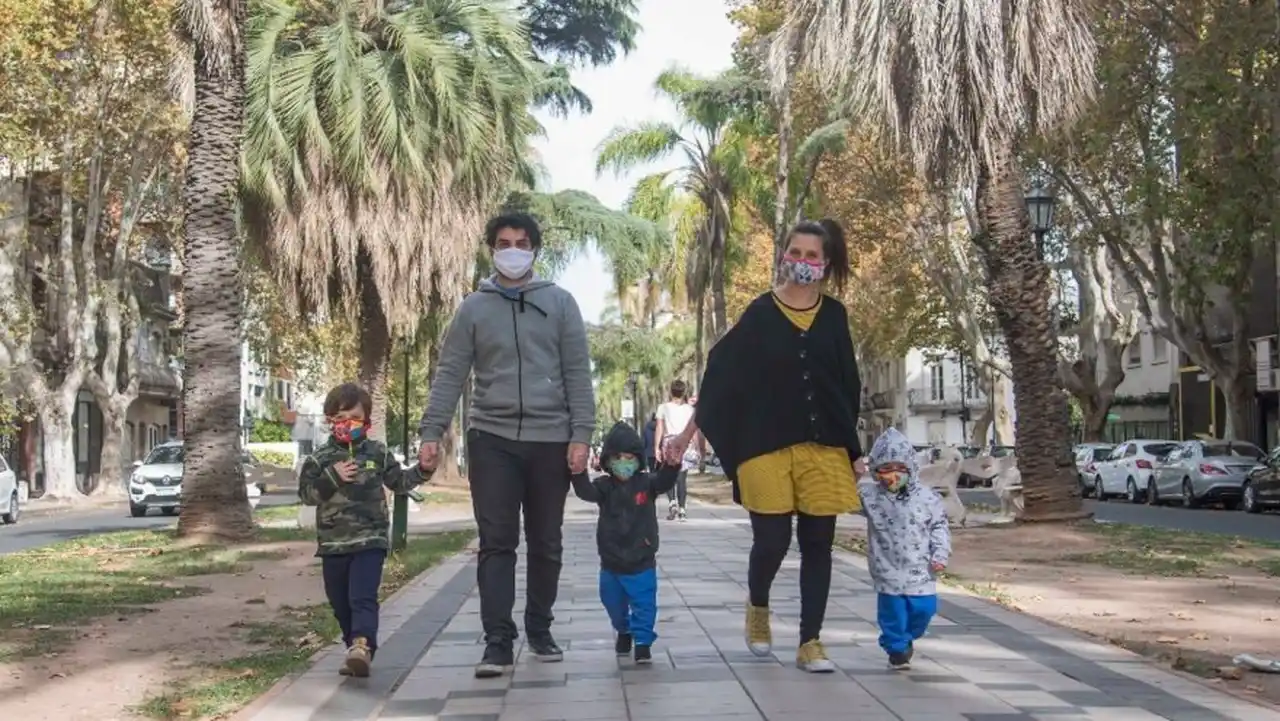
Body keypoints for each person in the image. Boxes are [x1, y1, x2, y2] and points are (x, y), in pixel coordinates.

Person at [665, 219, 864, 673]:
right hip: (765, 448)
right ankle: (758, 605)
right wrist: (686, 433)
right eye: (795, 253)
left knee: (818, 544)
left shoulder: (835, 316)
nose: (803, 262)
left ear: (826, 264)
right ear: (783, 257)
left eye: (812, 256)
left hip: (823, 447)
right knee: (771, 541)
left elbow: (846, 384)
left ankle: (810, 641)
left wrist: (853, 450)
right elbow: (719, 378)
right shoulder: (759, 313)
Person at [418, 212, 595, 678]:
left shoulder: (560, 303)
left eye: (520, 242)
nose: (512, 249)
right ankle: (497, 640)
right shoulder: (473, 308)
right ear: (491, 250)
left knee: (546, 542)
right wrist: (430, 432)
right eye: (503, 243)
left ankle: (540, 628)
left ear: (535, 249)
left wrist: (581, 435)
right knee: (497, 542)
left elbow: (578, 373)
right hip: (491, 439)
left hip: (549, 440)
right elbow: (451, 374)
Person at [298, 383, 431, 678]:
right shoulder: (320, 459)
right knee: (341, 603)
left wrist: (424, 469)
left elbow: (399, 482)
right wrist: (332, 477)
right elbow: (307, 495)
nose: (347, 424)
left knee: (362, 597)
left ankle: (362, 645)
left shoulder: (378, 453)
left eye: (355, 417)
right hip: (333, 544)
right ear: (330, 420)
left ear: (367, 420)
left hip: (370, 539)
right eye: (340, 417)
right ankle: (354, 648)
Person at [570, 421, 679, 665]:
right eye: (618, 457)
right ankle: (624, 629)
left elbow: (664, 481)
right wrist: (578, 473)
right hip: (611, 562)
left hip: (642, 559)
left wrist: (672, 465)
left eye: (630, 457)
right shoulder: (604, 486)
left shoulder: (647, 484)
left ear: (639, 459)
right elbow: (586, 492)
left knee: (644, 602)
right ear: (608, 460)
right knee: (612, 601)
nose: (624, 463)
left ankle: (642, 642)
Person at [859, 427, 950, 670]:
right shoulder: (869, 497)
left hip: (921, 568)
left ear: (910, 468)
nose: (893, 475)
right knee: (893, 616)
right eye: (885, 469)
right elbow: (842, 496)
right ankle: (896, 648)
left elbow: (939, 525)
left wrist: (940, 553)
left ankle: (907, 637)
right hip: (886, 569)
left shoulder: (928, 498)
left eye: (899, 468)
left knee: (925, 609)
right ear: (876, 471)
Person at [654, 380, 696, 521]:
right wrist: (696, 446)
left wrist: (656, 447)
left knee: (668, 474)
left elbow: (659, 428)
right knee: (682, 478)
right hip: (685, 443)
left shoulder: (663, 408)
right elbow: (694, 430)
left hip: (669, 443)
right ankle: (683, 509)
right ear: (684, 392)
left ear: (670, 391)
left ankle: (672, 502)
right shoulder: (690, 410)